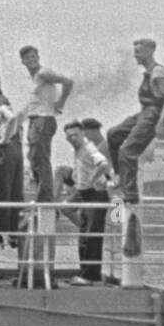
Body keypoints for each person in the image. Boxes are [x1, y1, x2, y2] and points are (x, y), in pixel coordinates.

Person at [107, 39, 164, 205]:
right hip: (144, 113)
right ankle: (118, 175)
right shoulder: (148, 72)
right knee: (113, 134)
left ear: (149, 51)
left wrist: (161, 122)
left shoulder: (159, 72)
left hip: (152, 115)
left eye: (138, 51)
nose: (134, 55)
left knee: (127, 151)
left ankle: (130, 194)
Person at [19, 45, 74, 204]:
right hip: (35, 120)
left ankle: (45, 199)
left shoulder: (44, 73)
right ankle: (41, 194)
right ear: (22, 61)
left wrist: (61, 101)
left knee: (41, 159)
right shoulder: (33, 77)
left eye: (33, 56)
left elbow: (68, 81)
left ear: (38, 57)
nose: (31, 59)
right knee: (34, 159)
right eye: (28, 57)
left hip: (43, 119)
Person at [58, 120, 111, 284]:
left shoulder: (89, 148)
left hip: (96, 194)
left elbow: (103, 164)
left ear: (83, 134)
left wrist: (94, 179)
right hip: (83, 192)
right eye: (69, 136)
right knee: (80, 229)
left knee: (92, 236)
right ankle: (83, 272)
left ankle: (90, 276)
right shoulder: (78, 151)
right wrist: (76, 177)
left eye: (75, 135)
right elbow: (81, 170)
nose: (72, 138)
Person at [0, 86, 23, 248]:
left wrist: (4, 140)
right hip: (17, 153)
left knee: (1, 193)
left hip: (7, 150)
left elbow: (12, 118)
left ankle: (0, 236)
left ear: (0, 96)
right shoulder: (7, 108)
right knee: (15, 193)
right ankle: (14, 235)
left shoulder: (3, 109)